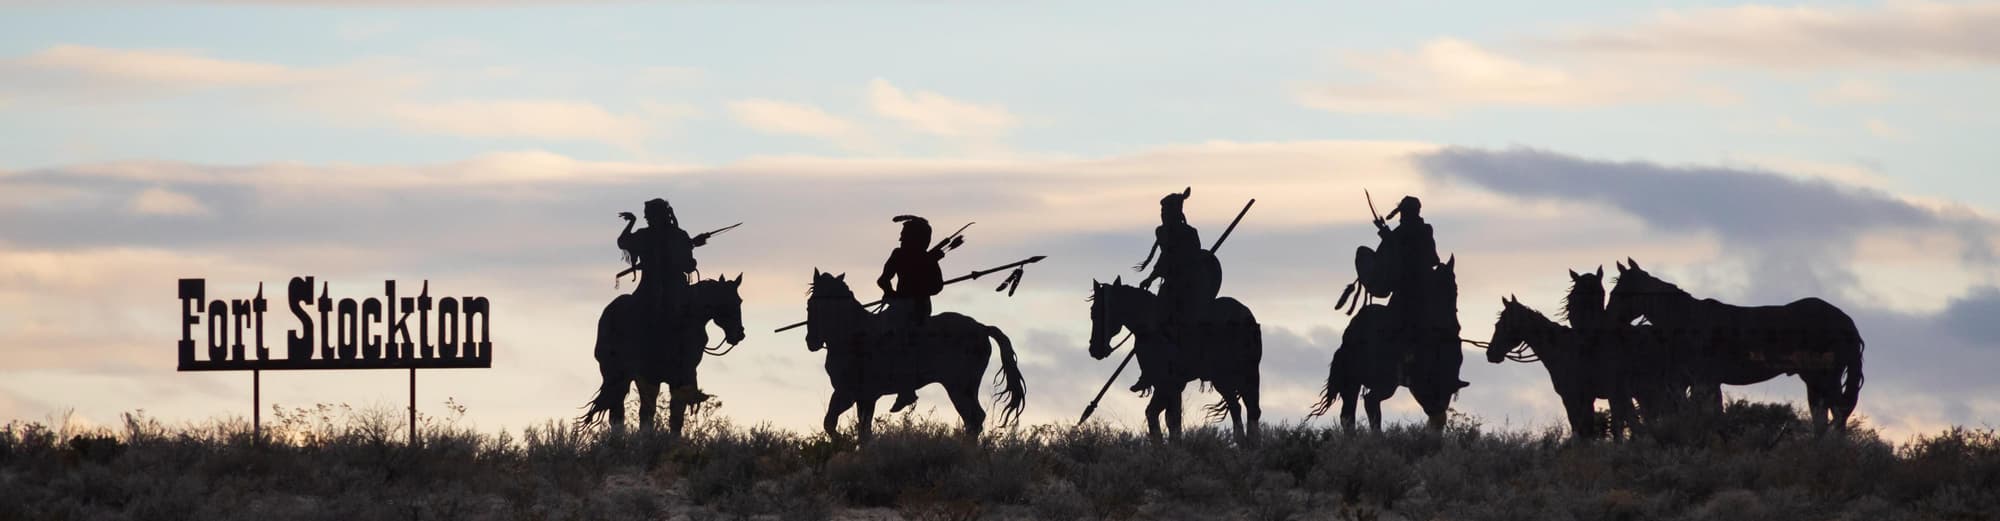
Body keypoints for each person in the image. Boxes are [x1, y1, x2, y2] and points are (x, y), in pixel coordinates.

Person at [1131, 188, 1222, 392]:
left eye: (1166, 212)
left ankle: (1198, 360)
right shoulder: (1161, 232)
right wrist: (1151, 277)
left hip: (1188, 289)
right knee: (1150, 324)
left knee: (1190, 322)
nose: (1163, 216)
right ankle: (1148, 371)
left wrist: (1182, 270)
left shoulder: (1190, 233)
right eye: (1161, 213)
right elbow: (1164, 258)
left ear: (1176, 213)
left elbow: (1193, 259)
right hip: (1169, 287)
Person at [876, 214, 960, 412]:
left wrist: (921, 277)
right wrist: (891, 294)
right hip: (898, 308)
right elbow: (883, 280)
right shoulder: (899, 254)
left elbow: (936, 287)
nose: (900, 239)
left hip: (918, 309)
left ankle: (906, 391)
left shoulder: (927, 259)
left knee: (905, 340)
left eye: (904, 235)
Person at [1354, 195, 1438, 301]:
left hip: (1409, 281)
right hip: (1414, 281)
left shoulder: (1421, 230)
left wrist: (1385, 232)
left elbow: (1399, 249)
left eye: (1403, 213)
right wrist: (1384, 231)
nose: (1401, 216)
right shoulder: (1411, 230)